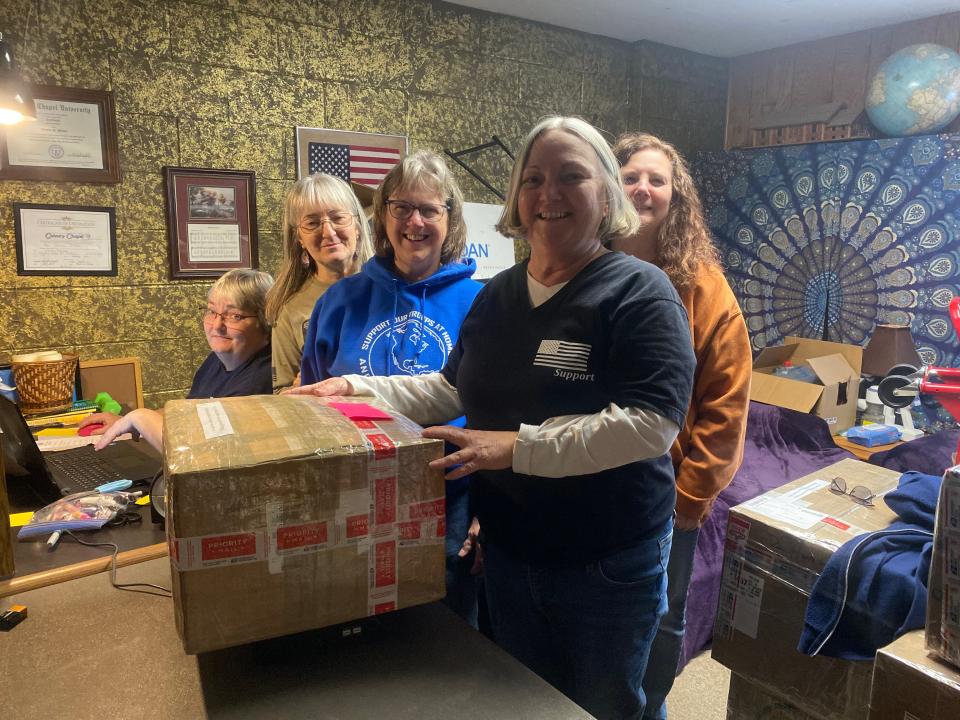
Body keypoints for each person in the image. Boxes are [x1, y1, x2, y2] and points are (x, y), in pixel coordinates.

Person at [290, 117, 696, 720]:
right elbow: (449, 387)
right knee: (527, 700)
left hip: (605, 562)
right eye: (533, 178)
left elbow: (650, 425)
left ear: (607, 194)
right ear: (516, 199)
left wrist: (514, 447)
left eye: (570, 176)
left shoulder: (640, 291)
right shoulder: (496, 295)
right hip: (511, 553)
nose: (548, 193)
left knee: (606, 705)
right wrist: (353, 387)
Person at [299, 150, 483, 626]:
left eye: (429, 209)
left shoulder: (481, 303)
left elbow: (501, 414)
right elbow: (313, 406)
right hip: (352, 496)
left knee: (446, 638)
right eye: (401, 208)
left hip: (451, 503)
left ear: (450, 218)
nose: (414, 222)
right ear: (382, 217)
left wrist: (490, 514)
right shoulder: (340, 301)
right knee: (356, 634)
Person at [612, 131, 752, 720]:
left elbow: (727, 400)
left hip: (667, 494)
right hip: (587, 481)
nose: (643, 189)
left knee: (661, 619)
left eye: (657, 179)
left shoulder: (704, 287)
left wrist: (690, 497)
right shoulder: (584, 269)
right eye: (630, 177)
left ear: (677, 196)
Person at [84, 268, 275, 451]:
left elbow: (202, 453)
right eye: (212, 312)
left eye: (234, 316)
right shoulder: (217, 360)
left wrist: (140, 418)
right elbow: (188, 414)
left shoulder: (261, 381)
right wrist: (124, 420)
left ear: (265, 321)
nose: (217, 325)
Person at [265, 173, 373, 392]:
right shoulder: (289, 309)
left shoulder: (391, 291)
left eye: (338, 218)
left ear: (358, 227)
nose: (328, 231)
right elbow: (282, 392)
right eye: (312, 223)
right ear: (299, 239)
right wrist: (300, 391)